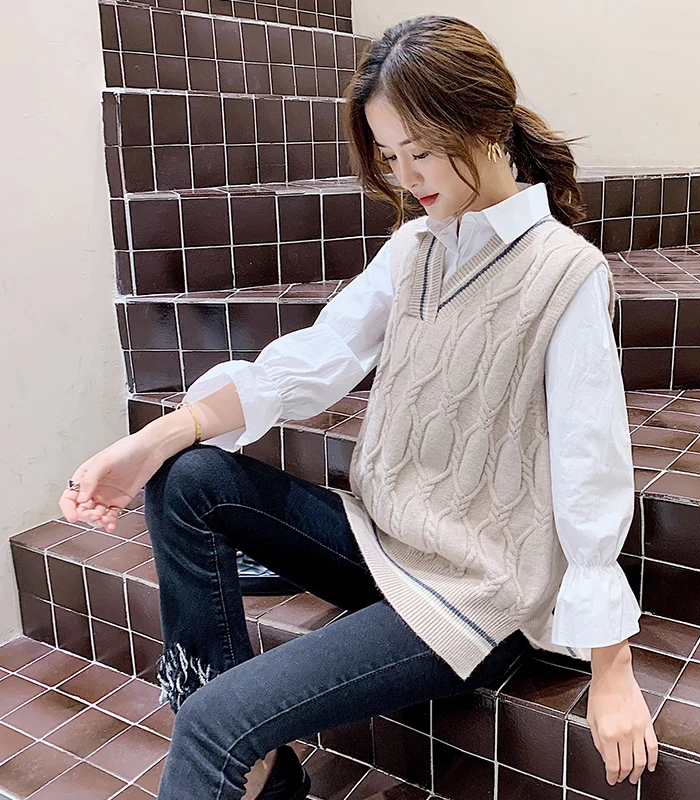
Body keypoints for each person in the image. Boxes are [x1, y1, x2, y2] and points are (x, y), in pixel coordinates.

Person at [59, 15, 658, 800]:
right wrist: (153, 441)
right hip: (386, 548)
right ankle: (261, 772)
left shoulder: (565, 273)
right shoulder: (417, 247)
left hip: (479, 598)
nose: (407, 176)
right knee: (188, 478)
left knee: (211, 723)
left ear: (484, 124)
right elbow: (318, 358)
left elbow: (591, 465)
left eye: (421, 150)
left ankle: (238, 756)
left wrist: (612, 665)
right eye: (389, 155)